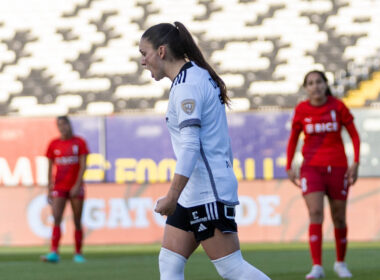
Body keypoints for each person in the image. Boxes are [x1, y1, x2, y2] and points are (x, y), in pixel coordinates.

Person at [139, 22, 271, 280]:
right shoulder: (193, 76)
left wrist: (171, 195)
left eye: (144, 53)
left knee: (232, 268)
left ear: (162, 51)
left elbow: (190, 146)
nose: (143, 61)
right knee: (169, 263)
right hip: (193, 192)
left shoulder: (187, 85)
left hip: (206, 192)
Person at [286, 70, 360, 279]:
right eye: (310, 83)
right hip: (311, 168)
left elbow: (354, 135)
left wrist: (355, 163)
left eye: (319, 82)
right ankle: (317, 266)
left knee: (339, 217)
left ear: (326, 84)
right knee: (316, 213)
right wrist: (289, 165)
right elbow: (293, 139)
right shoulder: (301, 110)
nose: (315, 86)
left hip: (337, 167)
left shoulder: (338, 106)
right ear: (306, 88)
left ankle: (340, 263)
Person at [41, 116, 89, 263]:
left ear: (69, 124)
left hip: (75, 187)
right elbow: (50, 167)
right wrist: (49, 187)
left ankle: (78, 253)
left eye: (64, 124)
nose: (62, 127)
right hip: (59, 186)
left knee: (77, 219)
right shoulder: (54, 144)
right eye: (59, 125)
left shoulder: (79, 142)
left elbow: (83, 165)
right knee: (56, 217)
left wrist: (77, 184)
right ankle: (54, 252)